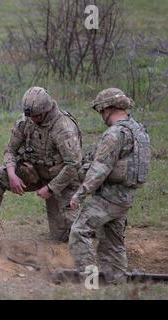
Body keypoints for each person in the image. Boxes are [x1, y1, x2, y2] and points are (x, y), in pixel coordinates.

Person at [0, 87, 82, 247]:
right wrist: (12, 174)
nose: (32, 120)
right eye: (30, 116)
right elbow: (10, 150)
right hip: (33, 172)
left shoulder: (63, 128)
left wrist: (51, 188)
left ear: (46, 111)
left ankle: (97, 224)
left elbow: (73, 165)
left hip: (61, 180)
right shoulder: (26, 120)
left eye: (36, 116)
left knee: (63, 237)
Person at [69, 88, 150, 284]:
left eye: (101, 111)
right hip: (125, 197)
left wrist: (80, 194)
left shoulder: (115, 134)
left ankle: (90, 284)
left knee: (79, 232)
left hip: (109, 197)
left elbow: (99, 169)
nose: (101, 115)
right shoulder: (138, 131)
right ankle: (117, 284)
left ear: (108, 108)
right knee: (113, 243)